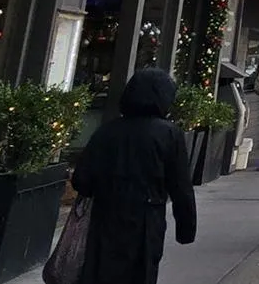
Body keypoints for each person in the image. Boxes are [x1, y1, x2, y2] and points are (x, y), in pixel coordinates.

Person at [70, 68, 198, 284]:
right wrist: (186, 228)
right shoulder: (168, 134)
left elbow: (81, 179)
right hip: (146, 220)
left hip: (106, 218)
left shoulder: (107, 131)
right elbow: (180, 186)